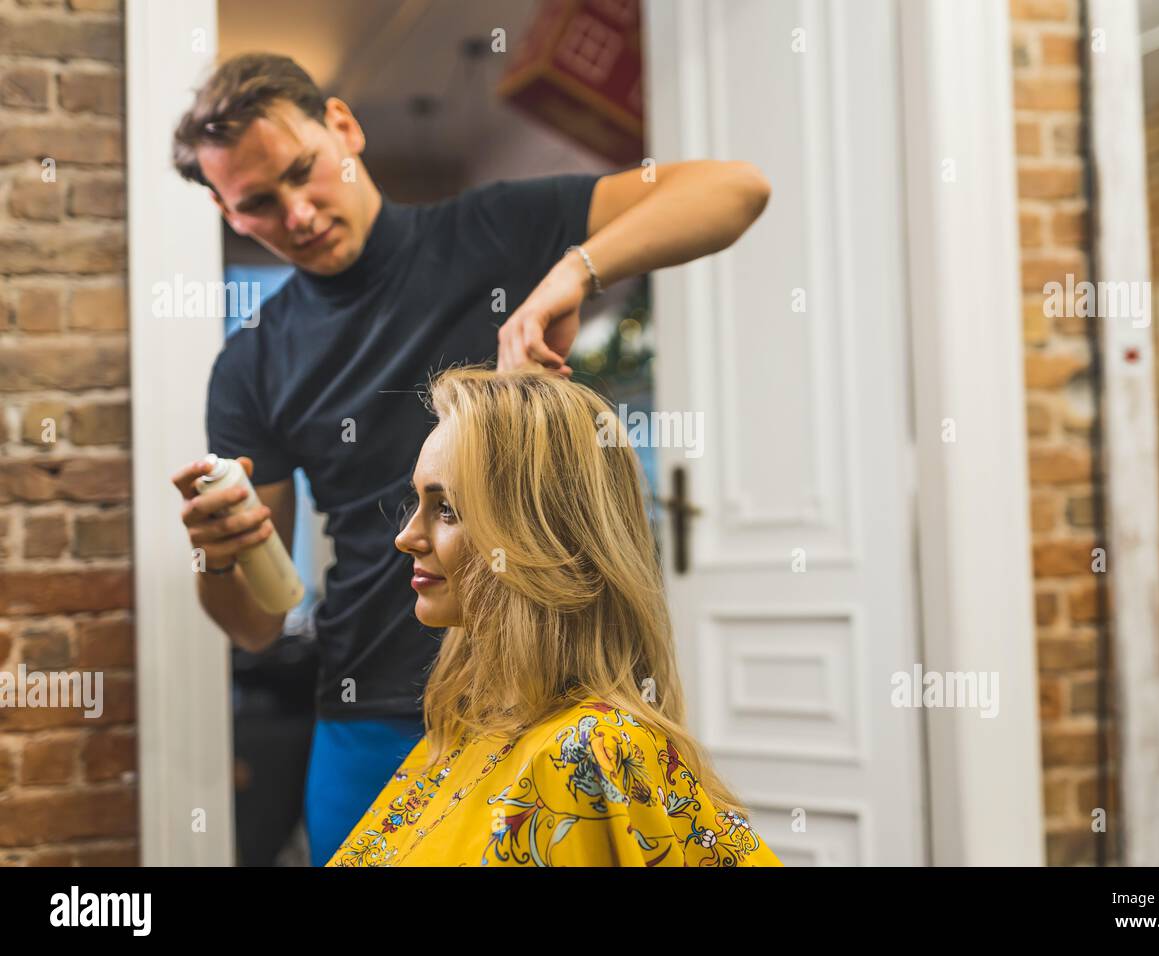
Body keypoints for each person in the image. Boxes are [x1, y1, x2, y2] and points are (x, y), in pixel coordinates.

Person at [166, 53, 771, 865]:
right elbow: (259, 622)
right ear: (224, 211)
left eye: (304, 172)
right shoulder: (252, 367)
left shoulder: (492, 233)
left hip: (539, 692)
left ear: (343, 126)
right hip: (370, 708)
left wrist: (574, 270)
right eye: (259, 206)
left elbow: (736, 189)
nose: (299, 213)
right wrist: (218, 555)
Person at [328, 367, 782, 866]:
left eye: (449, 509)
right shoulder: (467, 726)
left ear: (536, 535)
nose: (406, 536)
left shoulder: (595, 749)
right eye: (418, 502)